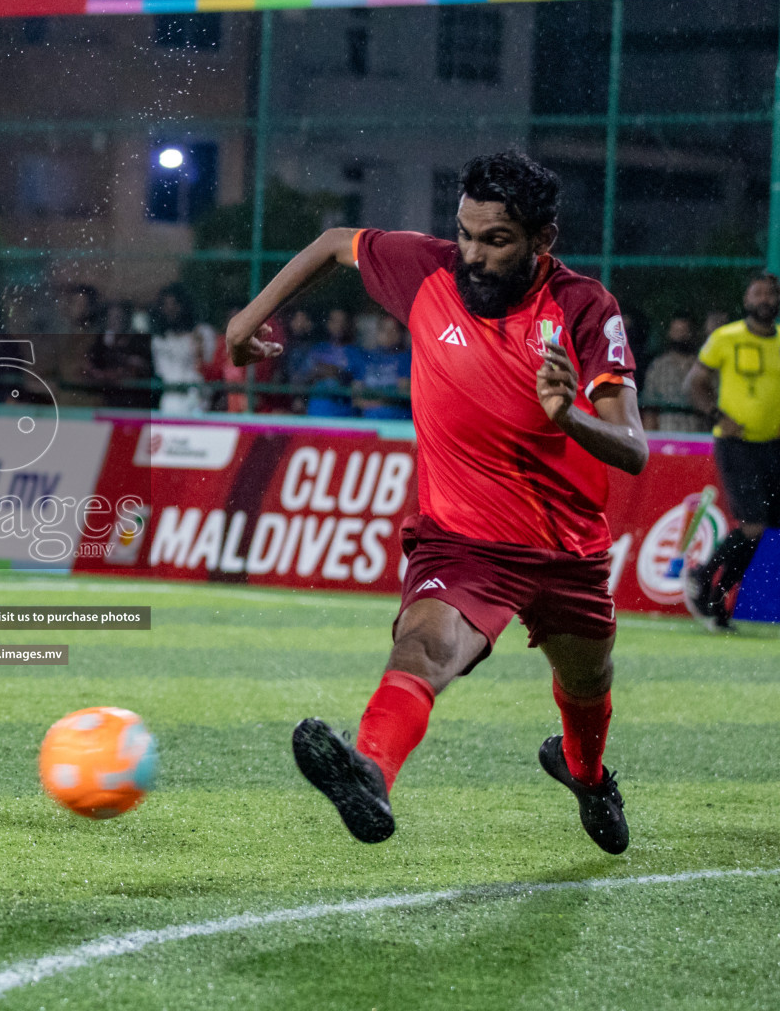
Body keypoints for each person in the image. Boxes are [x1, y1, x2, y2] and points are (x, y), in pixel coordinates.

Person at [226, 151, 646, 854]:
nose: (473, 256)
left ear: (543, 241)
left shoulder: (582, 307)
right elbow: (335, 245)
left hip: (570, 548)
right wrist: (247, 318)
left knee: (587, 681)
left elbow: (633, 446)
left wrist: (568, 417)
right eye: (465, 234)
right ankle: (370, 771)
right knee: (423, 644)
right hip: (464, 541)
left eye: (496, 240)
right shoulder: (428, 271)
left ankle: (587, 774)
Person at [682, 273, 780, 631]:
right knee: (753, 524)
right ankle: (704, 575)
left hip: (773, 447)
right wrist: (715, 414)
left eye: (771, 293)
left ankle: (718, 598)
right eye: (758, 293)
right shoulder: (726, 338)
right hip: (736, 445)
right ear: (747, 299)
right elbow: (695, 382)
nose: (765, 299)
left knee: (763, 528)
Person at [147, 283, 214, 414]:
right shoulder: (159, 340)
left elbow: (208, 367)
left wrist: (198, 349)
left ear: (184, 305)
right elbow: (162, 373)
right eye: (166, 305)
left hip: (197, 401)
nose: (170, 310)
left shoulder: (203, 332)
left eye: (175, 304)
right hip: (170, 402)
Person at [289, 308, 359, 418]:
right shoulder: (317, 349)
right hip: (316, 410)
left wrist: (323, 370)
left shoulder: (355, 352)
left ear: (348, 325)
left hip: (343, 413)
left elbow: (352, 379)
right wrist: (331, 371)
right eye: (334, 321)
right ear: (328, 324)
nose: (338, 326)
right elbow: (301, 378)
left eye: (342, 322)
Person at [640, 313, 703, 433]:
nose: (680, 336)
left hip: (698, 435)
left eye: (684, 331)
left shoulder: (703, 366)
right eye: (677, 331)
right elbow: (650, 408)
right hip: (666, 434)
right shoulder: (658, 366)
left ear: (692, 334)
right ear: (669, 333)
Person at [351, 315, 412, 420]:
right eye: (384, 330)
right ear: (378, 332)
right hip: (367, 419)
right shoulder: (367, 358)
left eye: (394, 330)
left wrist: (372, 402)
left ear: (401, 334)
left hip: (396, 419)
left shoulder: (407, 358)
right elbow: (356, 398)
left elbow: (401, 396)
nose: (388, 335)